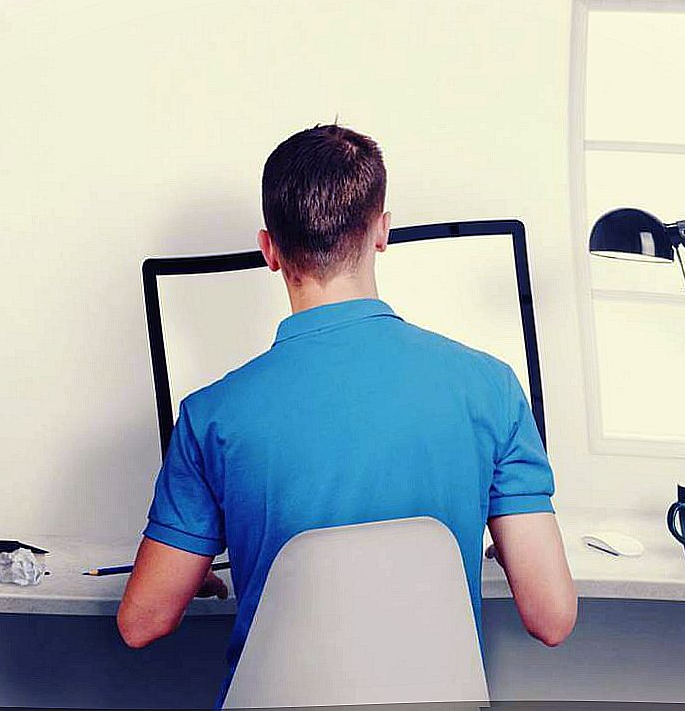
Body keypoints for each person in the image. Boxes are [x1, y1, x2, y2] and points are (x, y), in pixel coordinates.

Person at [117, 123, 576, 702]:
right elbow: (551, 618)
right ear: (382, 231)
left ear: (269, 250)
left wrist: (196, 568)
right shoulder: (492, 389)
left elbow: (143, 623)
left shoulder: (212, 416)